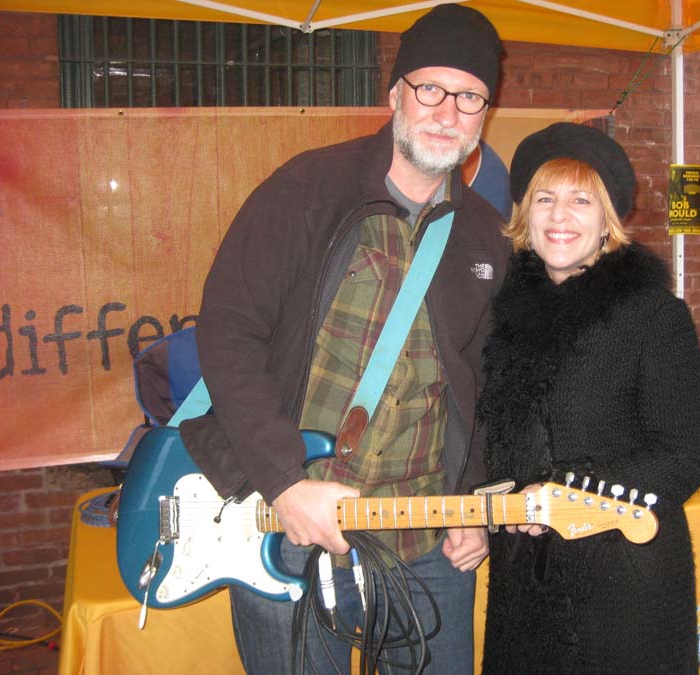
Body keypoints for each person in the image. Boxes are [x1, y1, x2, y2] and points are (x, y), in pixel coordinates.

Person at [178, 5, 507, 674]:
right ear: (394, 95)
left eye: (469, 97)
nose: (447, 111)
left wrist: (473, 498)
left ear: (485, 115)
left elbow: (480, 382)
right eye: (430, 89)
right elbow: (229, 330)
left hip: (423, 538)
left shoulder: (487, 237)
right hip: (293, 524)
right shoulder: (307, 189)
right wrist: (283, 482)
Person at [477, 122, 700, 673]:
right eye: (545, 198)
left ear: (607, 221)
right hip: (523, 583)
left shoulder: (654, 317)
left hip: (622, 584)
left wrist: (563, 496)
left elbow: (684, 455)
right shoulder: (506, 315)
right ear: (524, 214)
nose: (560, 216)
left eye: (581, 199)